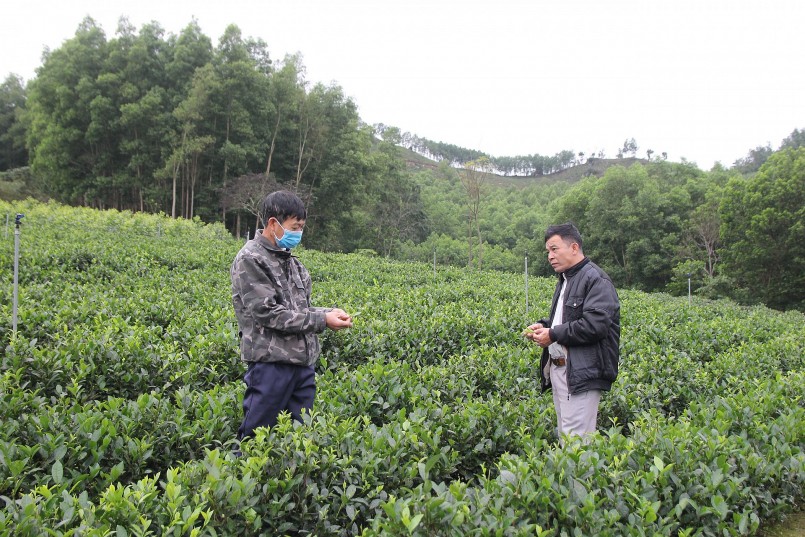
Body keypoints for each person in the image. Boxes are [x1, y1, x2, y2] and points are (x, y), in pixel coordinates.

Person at [231, 190, 353, 442]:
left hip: (302, 366)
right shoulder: (251, 259)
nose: (298, 233)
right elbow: (269, 313)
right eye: (294, 226)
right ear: (273, 223)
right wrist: (322, 321)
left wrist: (328, 313)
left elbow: (299, 309)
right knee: (257, 439)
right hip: (271, 366)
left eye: (301, 227)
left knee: (298, 440)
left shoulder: (292, 263)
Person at [524, 223, 620, 444]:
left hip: (581, 372)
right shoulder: (567, 279)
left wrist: (554, 334)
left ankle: (577, 481)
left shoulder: (596, 279)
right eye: (548, 251)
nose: (550, 256)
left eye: (554, 249)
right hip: (561, 369)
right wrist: (543, 326)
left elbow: (595, 325)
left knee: (576, 444)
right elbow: (566, 320)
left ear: (574, 247)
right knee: (566, 436)